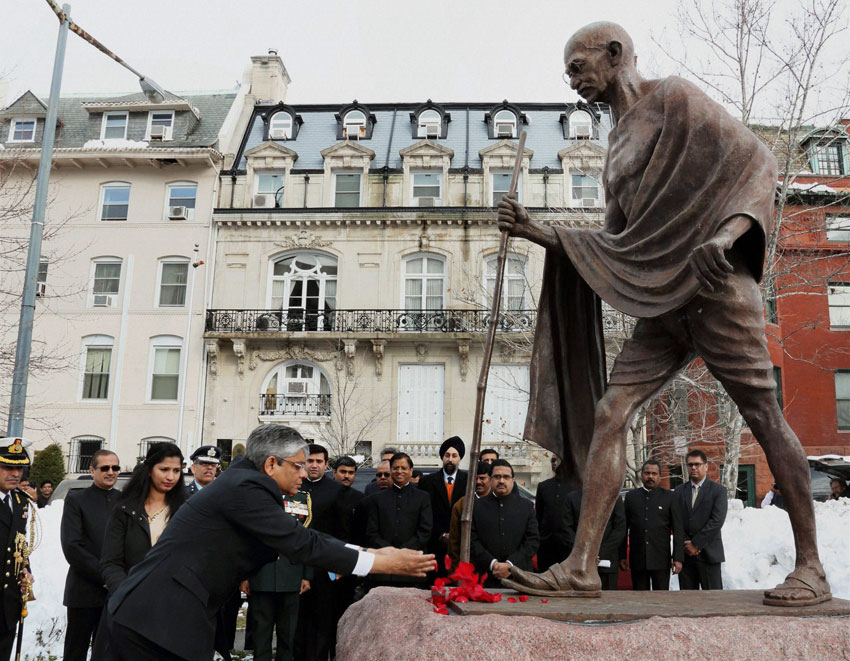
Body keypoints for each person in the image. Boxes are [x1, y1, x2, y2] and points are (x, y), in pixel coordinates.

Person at [498, 21, 830, 606]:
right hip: (661, 303)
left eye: (578, 66)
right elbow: (613, 244)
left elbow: (757, 164)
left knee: (762, 414)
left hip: (716, 286)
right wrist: (538, 232)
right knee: (611, 410)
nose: (572, 79)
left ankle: (811, 567)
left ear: (616, 54)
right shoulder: (615, 150)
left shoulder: (674, 97)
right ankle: (580, 566)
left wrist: (725, 239)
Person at [103, 424, 434, 661]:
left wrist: (369, 552)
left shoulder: (246, 483)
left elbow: (305, 537)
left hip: (160, 619)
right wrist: (380, 562)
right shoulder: (247, 488)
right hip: (155, 622)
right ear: (271, 463)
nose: (304, 474)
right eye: (298, 465)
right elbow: (300, 542)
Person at [95, 442, 187, 660]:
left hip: (170, 609)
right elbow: (110, 562)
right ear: (149, 469)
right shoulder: (125, 509)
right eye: (164, 469)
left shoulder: (187, 510)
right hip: (127, 608)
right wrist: (127, 592)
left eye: (176, 471)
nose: (171, 477)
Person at [60, 449, 120, 661]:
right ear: (92, 470)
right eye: (105, 468)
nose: (111, 472)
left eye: (115, 467)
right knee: (76, 650)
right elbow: (72, 547)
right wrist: (105, 576)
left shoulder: (124, 502)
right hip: (84, 591)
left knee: (107, 653)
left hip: (115, 594)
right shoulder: (77, 500)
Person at [295, 444, 351, 661]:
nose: (314, 465)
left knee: (321, 620)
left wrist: (339, 564)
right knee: (297, 619)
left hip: (323, 565)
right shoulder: (293, 486)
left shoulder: (336, 491)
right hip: (295, 562)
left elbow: (342, 531)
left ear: (327, 465)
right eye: (310, 461)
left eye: (319, 461)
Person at [242, 488, 312, 661]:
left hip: (291, 573)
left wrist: (306, 574)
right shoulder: (255, 495)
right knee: (261, 633)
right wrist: (243, 575)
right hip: (261, 573)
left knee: (287, 634)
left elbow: (308, 539)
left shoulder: (301, 497)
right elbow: (244, 538)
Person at [365, 452, 432, 588]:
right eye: (395, 468)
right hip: (383, 566)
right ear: (391, 470)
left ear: (411, 471)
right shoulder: (377, 499)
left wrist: (403, 552)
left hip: (412, 565)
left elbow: (425, 531)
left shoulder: (422, 497)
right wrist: (391, 552)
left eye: (404, 468)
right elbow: (372, 532)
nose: (399, 471)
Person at [471, 460, 538, 587]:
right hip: (485, 578)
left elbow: (532, 541)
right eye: (497, 477)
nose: (501, 481)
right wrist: (493, 564)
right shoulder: (476, 507)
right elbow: (472, 541)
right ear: (490, 480)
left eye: (506, 477)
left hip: (520, 577)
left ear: (513, 480)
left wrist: (510, 565)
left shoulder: (526, 506)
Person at [619, 460, 683, 590]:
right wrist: (621, 556)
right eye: (647, 473)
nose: (650, 477)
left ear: (659, 476)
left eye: (654, 473)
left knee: (661, 598)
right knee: (640, 600)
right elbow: (623, 529)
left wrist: (678, 558)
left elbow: (678, 529)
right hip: (638, 559)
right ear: (642, 475)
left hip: (661, 559)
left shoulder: (670, 497)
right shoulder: (631, 497)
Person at [0, 438, 34, 661]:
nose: (15, 473)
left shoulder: (21, 501)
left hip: (8, 598)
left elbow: (19, 544)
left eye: (19, 468)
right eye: (7, 467)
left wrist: (26, 571)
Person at [674, 450, 727, 590]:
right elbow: (676, 521)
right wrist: (687, 545)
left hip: (709, 554)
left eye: (697, 464)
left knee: (713, 601)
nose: (693, 468)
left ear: (706, 466)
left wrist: (696, 544)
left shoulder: (718, 491)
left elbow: (717, 521)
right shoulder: (679, 491)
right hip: (686, 556)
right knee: (688, 601)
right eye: (690, 465)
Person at [419, 436, 468, 574]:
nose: (450, 459)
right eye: (447, 455)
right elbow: (425, 513)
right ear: (442, 457)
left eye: (454, 455)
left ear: (459, 458)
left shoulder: (469, 482)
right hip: (434, 543)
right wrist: (441, 534)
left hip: (460, 545)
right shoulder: (427, 482)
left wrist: (453, 535)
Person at [564, 489, 625, 591]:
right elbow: (566, 529)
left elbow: (619, 529)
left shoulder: (614, 497)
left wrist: (598, 553)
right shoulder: (572, 498)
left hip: (607, 562)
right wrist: (583, 552)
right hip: (579, 564)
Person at [535, 456, 578, 570]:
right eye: (552, 460)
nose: (555, 463)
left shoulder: (576, 486)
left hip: (568, 546)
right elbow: (539, 515)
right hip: (546, 545)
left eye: (558, 460)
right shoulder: (543, 486)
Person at [448, 461, 492, 566]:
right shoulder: (461, 505)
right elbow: (454, 542)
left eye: (482, 478)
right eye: (474, 478)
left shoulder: (499, 502)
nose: (478, 482)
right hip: (469, 566)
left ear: (490, 479)